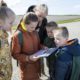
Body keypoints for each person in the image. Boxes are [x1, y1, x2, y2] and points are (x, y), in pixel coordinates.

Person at [11, 12, 41, 80]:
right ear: (24, 24)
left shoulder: (35, 32)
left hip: (37, 68)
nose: (34, 29)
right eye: (32, 27)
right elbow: (15, 54)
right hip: (26, 71)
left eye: (35, 27)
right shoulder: (18, 35)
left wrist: (43, 47)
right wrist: (28, 58)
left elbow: (38, 45)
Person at [0, 6, 15, 80]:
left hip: (6, 75)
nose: (12, 25)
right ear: (1, 22)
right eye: (10, 23)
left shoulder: (4, 36)